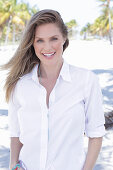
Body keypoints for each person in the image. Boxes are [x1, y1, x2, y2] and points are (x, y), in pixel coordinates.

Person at [1, 9, 105, 170]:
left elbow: (96, 134)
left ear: (64, 38)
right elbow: (16, 135)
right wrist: (13, 166)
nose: (47, 47)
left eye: (53, 38)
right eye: (40, 40)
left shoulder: (85, 80)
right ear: (32, 43)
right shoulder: (20, 85)